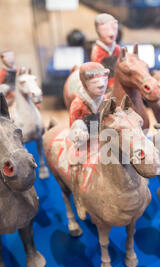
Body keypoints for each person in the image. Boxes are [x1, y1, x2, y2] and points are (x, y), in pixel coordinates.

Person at [68, 62, 109, 219]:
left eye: (104, 82)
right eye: (96, 83)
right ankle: (79, 199)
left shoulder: (105, 99)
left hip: (105, 138)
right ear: (85, 84)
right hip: (85, 142)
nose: (102, 86)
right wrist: (80, 134)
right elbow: (74, 126)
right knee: (76, 166)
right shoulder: (78, 104)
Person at [90, 13, 120, 88]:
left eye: (114, 29)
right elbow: (96, 73)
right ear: (98, 30)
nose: (111, 34)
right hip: (103, 86)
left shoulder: (118, 49)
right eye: (105, 30)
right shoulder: (97, 50)